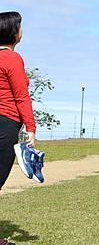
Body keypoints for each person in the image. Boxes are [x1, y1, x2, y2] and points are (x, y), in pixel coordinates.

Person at [0, 12, 37, 191]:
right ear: (13, 33)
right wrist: (31, 128)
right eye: (20, 27)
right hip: (6, 122)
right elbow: (21, 96)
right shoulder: (12, 59)